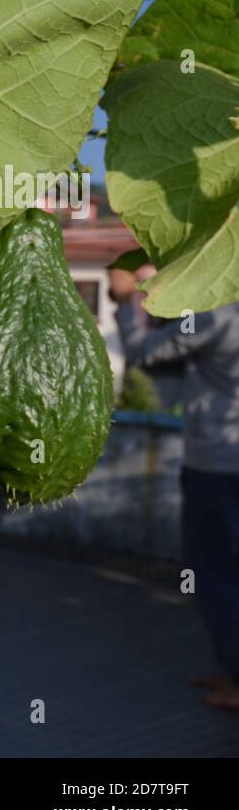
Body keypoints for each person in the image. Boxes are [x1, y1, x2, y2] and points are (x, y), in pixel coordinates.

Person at [109, 269, 239, 711]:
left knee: (215, 573)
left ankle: (235, 679)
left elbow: (143, 353)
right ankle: (229, 670)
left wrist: (127, 300)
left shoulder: (219, 313)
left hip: (219, 466)